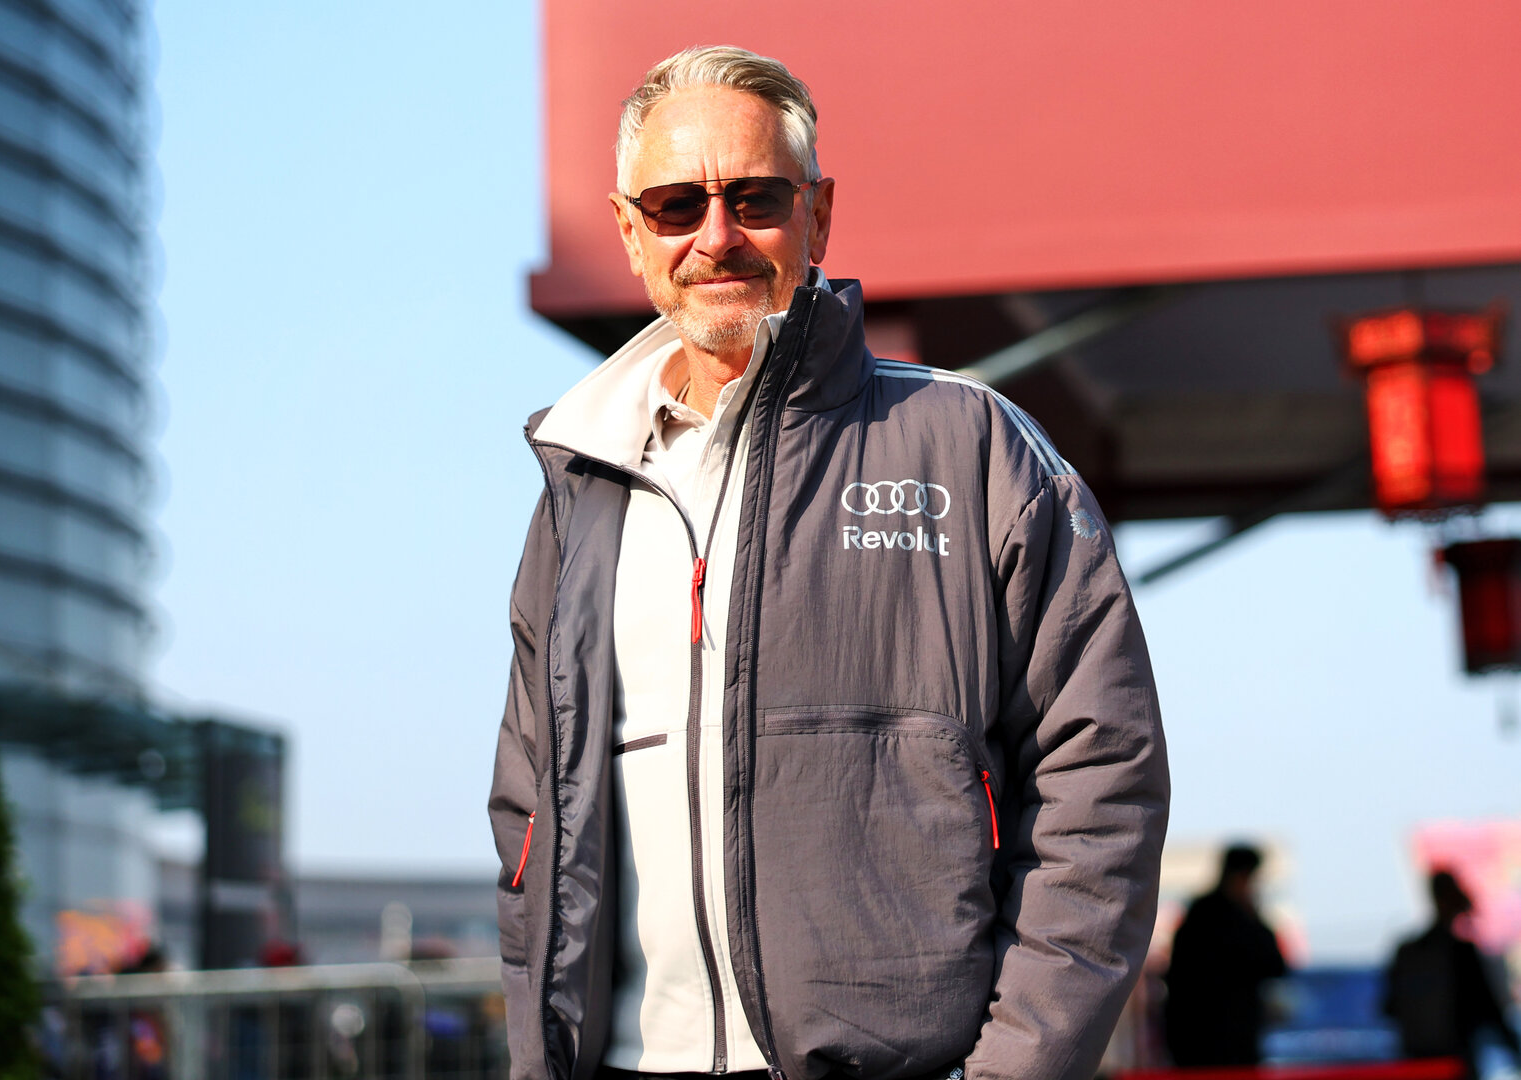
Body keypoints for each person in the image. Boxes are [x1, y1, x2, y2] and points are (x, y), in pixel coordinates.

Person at [488, 45, 1169, 1080]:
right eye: (675, 205)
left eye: (755, 196)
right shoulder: (582, 487)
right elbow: (528, 815)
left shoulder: (972, 445)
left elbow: (1099, 778)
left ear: (819, 213)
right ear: (629, 233)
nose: (716, 237)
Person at [1383, 870, 1521, 1076]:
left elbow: (1388, 1007)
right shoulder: (1459, 953)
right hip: (1455, 1062)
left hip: (1418, 1062)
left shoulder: (1408, 953)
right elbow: (1489, 1008)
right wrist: (1514, 1049)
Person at [1163, 844, 1288, 1067]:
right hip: (1215, 1040)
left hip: (1204, 1038)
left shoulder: (1201, 914)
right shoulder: (1218, 918)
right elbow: (1272, 963)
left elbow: (1275, 966)